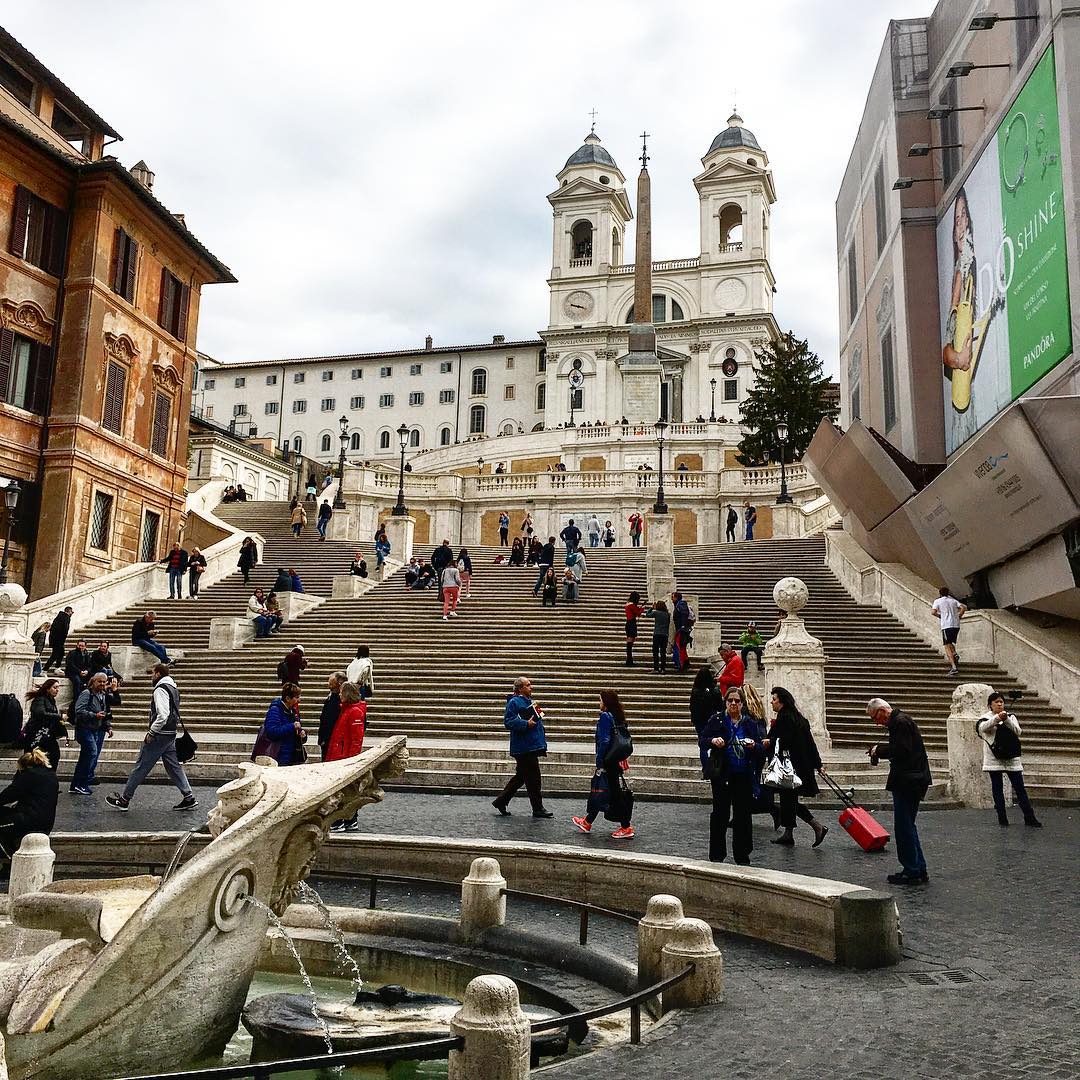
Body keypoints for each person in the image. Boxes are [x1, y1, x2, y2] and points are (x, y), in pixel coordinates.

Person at [107, 664, 197, 812]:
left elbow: (163, 715)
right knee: (174, 767)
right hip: (170, 733)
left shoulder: (160, 689)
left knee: (141, 766)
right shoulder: (173, 688)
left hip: (159, 735)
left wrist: (152, 732)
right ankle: (189, 797)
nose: (151, 677)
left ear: (158, 674)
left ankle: (124, 800)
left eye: (152, 674)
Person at [866, 697, 932, 884]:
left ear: (881, 711)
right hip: (914, 778)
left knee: (904, 826)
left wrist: (879, 751)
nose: (876, 723)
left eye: (874, 718)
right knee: (908, 825)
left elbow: (902, 750)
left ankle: (911, 870)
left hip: (908, 780)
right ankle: (919, 867)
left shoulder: (900, 723)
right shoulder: (901, 720)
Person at [700, 687, 761, 864]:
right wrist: (713, 741)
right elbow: (702, 741)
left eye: (737, 701)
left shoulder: (749, 723)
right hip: (722, 775)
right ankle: (717, 854)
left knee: (742, 815)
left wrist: (753, 746)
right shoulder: (717, 720)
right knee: (720, 814)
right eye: (730, 701)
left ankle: (742, 854)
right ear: (725, 702)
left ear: (742, 703)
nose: (733, 703)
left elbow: (759, 748)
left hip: (743, 774)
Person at [763, 687, 828, 848]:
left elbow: (783, 741)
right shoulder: (799, 718)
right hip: (800, 766)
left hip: (790, 767)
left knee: (789, 799)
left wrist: (769, 742)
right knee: (788, 799)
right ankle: (789, 833)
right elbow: (811, 744)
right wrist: (818, 764)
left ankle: (816, 826)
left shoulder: (785, 719)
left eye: (774, 699)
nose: (771, 702)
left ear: (782, 701)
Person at [573, 689, 634, 838]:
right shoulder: (618, 716)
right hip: (615, 758)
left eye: (600, 700)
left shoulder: (606, 717)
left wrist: (599, 761)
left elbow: (605, 741)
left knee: (611, 792)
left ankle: (626, 827)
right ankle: (587, 822)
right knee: (603, 789)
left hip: (608, 760)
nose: (599, 703)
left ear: (605, 702)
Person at [976, 692, 1042, 828]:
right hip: (994, 759)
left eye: (1001, 702)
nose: (999, 704)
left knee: (1020, 789)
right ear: (990, 705)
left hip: (1012, 758)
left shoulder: (1011, 717)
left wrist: (1006, 720)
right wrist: (996, 719)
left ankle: (1029, 817)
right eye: (996, 702)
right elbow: (983, 728)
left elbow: (1018, 731)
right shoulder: (984, 718)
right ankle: (1002, 818)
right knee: (997, 789)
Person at [493, 677, 552, 817]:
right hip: (524, 748)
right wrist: (526, 724)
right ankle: (538, 809)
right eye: (528, 685)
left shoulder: (531, 702)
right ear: (520, 688)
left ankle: (501, 801)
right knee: (534, 779)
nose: (531, 687)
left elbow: (540, 718)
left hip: (532, 745)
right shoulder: (514, 702)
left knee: (521, 777)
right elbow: (508, 721)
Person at [0, 749, 58, 864]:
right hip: (45, 821)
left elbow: (7, 795)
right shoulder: (50, 775)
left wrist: (19, 775)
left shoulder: (29, 776)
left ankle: (12, 862)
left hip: (30, 821)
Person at [327, 682, 368, 831]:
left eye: (341, 692)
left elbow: (356, 740)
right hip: (340, 755)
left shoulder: (354, 711)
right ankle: (348, 820)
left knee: (343, 791)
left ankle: (341, 821)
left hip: (345, 757)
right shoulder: (346, 709)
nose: (339, 694)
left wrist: (351, 760)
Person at [71, 672, 112, 795]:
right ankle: (82, 783)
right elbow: (78, 710)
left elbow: (104, 712)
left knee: (85, 756)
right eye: (99, 681)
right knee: (92, 753)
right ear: (93, 681)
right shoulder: (86, 694)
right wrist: (94, 715)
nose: (102, 684)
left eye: (104, 682)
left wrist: (107, 727)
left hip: (94, 729)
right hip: (84, 729)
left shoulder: (102, 695)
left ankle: (76, 785)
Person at [253, 682, 307, 766]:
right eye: (296, 697)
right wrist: (292, 726)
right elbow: (272, 732)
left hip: (291, 756)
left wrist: (302, 735)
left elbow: (297, 729)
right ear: (288, 698)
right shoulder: (275, 710)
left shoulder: (293, 710)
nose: (299, 700)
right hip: (278, 755)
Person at [22, 681, 67, 771]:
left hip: (47, 734)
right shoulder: (40, 699)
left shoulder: (51, 700)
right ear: (47, 688)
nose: (57, 690)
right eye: (55, 687)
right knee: (32, 760)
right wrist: (59, 716)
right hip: (37, 735)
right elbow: (40, 713)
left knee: (54, 756)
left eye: (58, 687)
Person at [689, 665, 724, 756]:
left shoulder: (695, 690)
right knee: (712, 741)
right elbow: (719, 706)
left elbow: (692, 706)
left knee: (702, 742)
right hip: (711, 718)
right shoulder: (715, 690)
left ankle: (705, 766)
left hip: (699, 719)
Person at [931, 586, 966, 676]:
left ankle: (953, 666)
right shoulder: (953, 601)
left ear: (940, 593)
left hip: (946, 625)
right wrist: (959, 616)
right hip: (956, 625)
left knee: (946, 645)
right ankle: (955, 654)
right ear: (948, 593)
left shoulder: (938, 601)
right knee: (950, 643)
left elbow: (933, 612)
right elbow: (963, 607)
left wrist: (940, 616)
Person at [317, 671, 346, 757]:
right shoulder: (331, 697)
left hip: (332, 739)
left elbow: (329, 720)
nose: (328, 683)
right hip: (327, 738)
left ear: (339, 683)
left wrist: (324, 738)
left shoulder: (339, 700)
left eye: (331, 681)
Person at [644, 600, 671, 674]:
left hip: (657, 634)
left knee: (655, 651)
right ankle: (663, 669)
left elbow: (647, 614)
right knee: (663, 652)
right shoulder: (667, 614)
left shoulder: (656, 613)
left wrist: (652, 607)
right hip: (664, 634)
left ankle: (656, 668)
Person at [44, 606, 74, 672]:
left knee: (61, 654)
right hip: (59, 640)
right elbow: (65, 629)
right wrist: (63, 638)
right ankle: (45, 669)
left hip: (55, 640)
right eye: (72, 612)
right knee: (55, 655)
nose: (72, 613)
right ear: (69, 611)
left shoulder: (58, 617)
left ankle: (57, 667)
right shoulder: (66, 617)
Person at [671, 592, 693, 673]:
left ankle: (681, 665)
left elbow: (684, 614)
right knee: (682, 647)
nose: (671, 599)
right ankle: (686, 663)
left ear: (676, 598)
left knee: (679, 647)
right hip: (682, 629)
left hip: (682, 630)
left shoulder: (680, 605)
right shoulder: (679, 605)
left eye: (672, 597)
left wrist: (682, 626)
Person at [624, 591, 647, 666]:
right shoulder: (631, 605)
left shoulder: (628, 604)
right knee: (630, 642)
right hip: (631, 623)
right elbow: (638, 613)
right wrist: (642, 608)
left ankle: (629, 660)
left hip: (629, 622)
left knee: (629, 642)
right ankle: (629, 661)